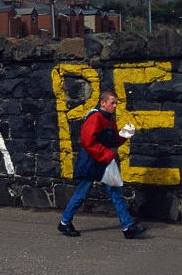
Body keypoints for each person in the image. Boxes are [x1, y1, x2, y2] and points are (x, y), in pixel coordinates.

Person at [57, 90, 147, 239]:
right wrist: (108, 155)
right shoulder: (96, 118)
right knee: (82, 194)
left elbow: (112, 141)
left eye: (116, 103)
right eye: (112, 103)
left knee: (114, 193)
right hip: (92, 161)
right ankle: (65, 222)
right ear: (103, 103)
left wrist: (125, 134)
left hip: (101, 161)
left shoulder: (108, 119)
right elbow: (88, 142)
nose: (115, 106)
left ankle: (127, 226)